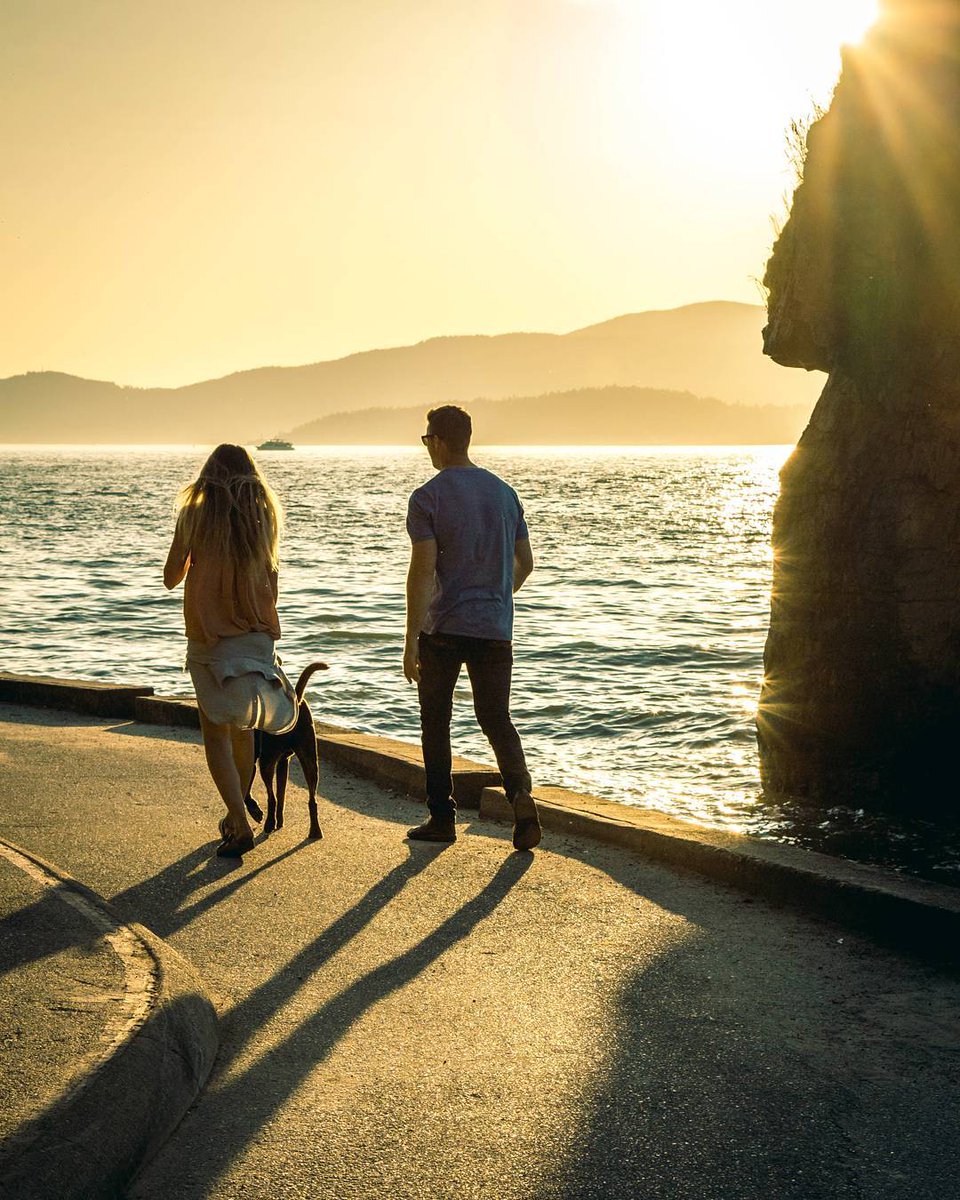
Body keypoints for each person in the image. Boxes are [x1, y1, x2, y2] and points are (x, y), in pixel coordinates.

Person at [403, 404, 541, 850]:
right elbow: (526, 563)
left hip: (442, 627)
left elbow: (422, 573)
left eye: (427, 440)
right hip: (495, 627)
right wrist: (499, 597)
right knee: (496, 719)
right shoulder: (505, 493)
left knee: (436, 721)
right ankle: (520, 796)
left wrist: (409, 639)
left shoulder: (428, 497)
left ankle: (441, 818)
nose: (427, 449)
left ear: (440, 442)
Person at [163, 443, 298, 858]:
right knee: (245, 728)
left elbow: (171, 577)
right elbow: (272, 580)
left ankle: (238, 821)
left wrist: (195, 558)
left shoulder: (195, 515)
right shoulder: (265, 518)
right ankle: (236, 811)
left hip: (211, 637)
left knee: (216, 734)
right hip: (258, 634)